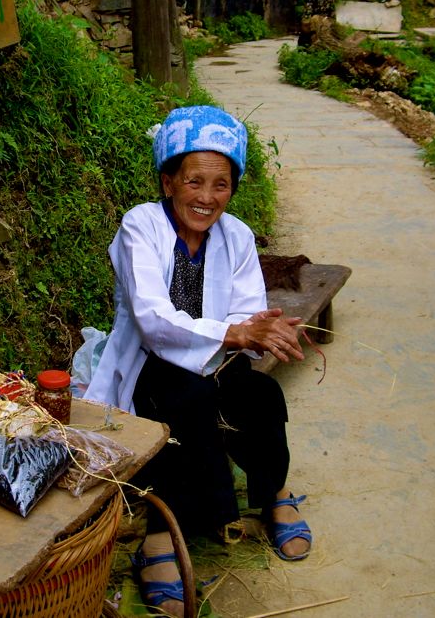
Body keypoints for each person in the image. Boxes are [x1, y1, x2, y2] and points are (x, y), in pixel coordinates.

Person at [83, 105, 312, 617]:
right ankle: (162, 538)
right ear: (169, 182)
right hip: (147, 362)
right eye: (194, 181)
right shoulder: (139, 226)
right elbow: (150, 317)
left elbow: (248, 308)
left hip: (216, 359)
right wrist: (234, 332)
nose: (207, 198)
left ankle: (272, 491)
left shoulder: (237, 236)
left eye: (221, 185)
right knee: (188, 401)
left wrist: (263, 331)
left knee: (262, 394)